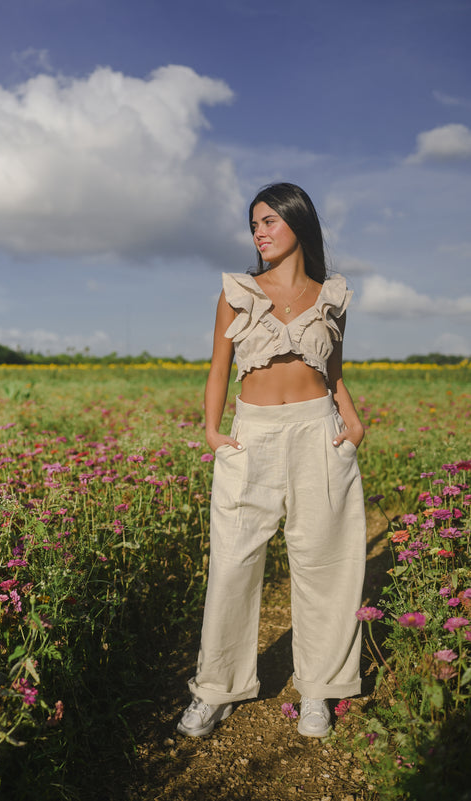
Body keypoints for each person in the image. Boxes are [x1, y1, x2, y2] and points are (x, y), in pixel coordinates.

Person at [177, 183, 366, 739]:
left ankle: (318, 690)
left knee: (327, 564)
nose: (258, 232)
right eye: (253, 224)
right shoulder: (237, 292)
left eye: (268, 222)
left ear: (297, 223)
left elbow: (333, 374)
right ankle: (216, 688)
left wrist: (352, 424)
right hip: (250, 436)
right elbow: (218, 366)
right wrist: (213, 432)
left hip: (319, 433)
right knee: (233, 563)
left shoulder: (330, 297)